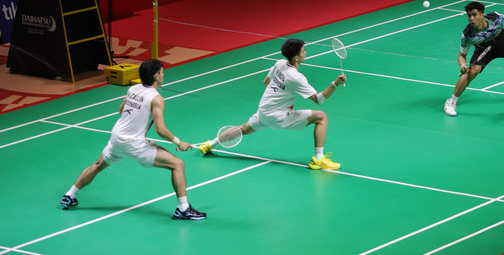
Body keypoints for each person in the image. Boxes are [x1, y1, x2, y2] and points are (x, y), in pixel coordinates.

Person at [59, 59, 206, 220]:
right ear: (156, 76)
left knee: (98, 165)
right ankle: (183, 208)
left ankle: (69, 195)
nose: (164, 74)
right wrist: (179, 142)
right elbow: (160, 129)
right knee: (177, 164)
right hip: (135, 144)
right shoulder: (156, 99)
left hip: (117, 138)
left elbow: (121, 110)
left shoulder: (133, 89)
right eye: (162, 72)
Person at [198, 39, 346, 170]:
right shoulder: (297, 78)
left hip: (264, 110)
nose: (305, 52)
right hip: (278, 116)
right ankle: (318, 159)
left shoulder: (279, 63)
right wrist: (335, 83)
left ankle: (210, 144)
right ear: (296, 57)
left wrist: (279, 93)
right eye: (303, 51)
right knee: (322, 117)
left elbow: (266, 82)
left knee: (243, 128)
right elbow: (319, 99)